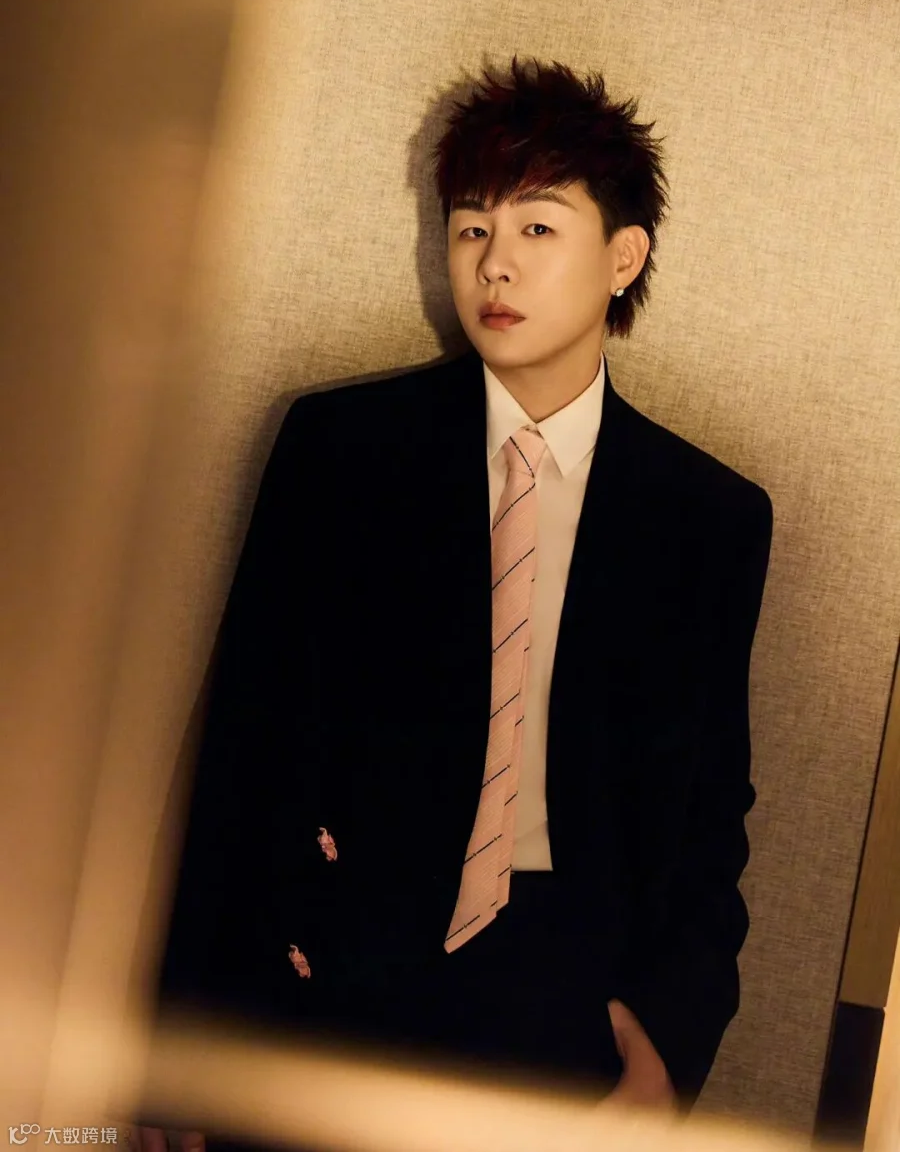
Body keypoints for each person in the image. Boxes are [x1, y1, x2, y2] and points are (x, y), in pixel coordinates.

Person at [148, 56, 774, 1147]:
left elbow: (709, 810)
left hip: (558, 1006)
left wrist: (667, 1040)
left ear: (623, 256)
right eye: (471, 226)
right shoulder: (342, 449)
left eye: (538, 227)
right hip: (329, 976)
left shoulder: (708, 516)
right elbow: (245, 747)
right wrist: (178, 1035)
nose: (495, 262)